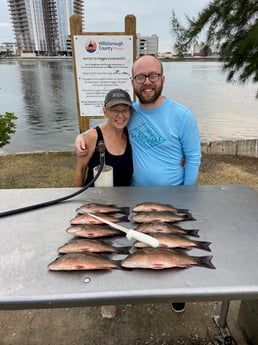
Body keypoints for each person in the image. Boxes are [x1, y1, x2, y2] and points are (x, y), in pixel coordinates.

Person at [75, 55, 201, 312]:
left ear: (162, 79)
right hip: (136, 198)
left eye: (153, 76)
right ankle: (128, 290)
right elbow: (109, 125)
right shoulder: (130, 112)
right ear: (133, 81)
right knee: (141, 247)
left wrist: (186, 195)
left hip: (173, 197)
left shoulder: (183, 115)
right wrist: (81, 136)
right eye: (140, 77)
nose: (147, 82)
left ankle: (177, 294)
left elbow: (194, 157)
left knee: (171, 245)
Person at [74, 88, 133, 187]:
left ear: (130, 111)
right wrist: (77, 200)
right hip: (95, 199)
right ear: (105, 111)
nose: (120, 115)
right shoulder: (93, 136)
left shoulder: (131, 135)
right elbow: (81, 170)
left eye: (124, 110)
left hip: (124, 199)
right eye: (115, 110)